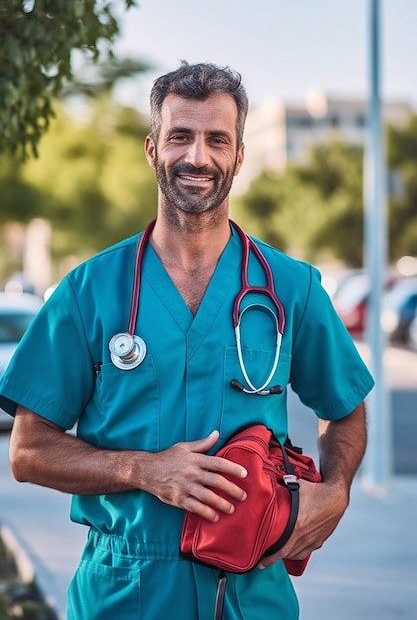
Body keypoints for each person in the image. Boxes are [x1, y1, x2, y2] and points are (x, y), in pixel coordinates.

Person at [0, 62, 374, 620]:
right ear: (153, 149)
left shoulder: (290, 288)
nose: (197, 157)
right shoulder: (89, 290)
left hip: (251, 591)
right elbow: (28, 452)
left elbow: (345, 410)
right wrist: (144, 470)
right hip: (122, 592)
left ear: (239, 157)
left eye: (217, 139)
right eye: (181, 136)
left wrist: (336, 490)